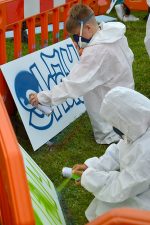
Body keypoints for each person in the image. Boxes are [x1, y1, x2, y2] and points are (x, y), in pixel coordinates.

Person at [29, 3, 134, 145]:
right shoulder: (112, 33)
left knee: (89, 88)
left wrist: (43, 98)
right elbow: (129, 57)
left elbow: (72, 85)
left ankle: (109, 135)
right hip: (127, 94)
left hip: (112, 112)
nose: (78, 40)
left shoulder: (96, 52)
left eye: (78, 35)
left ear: (89, 28)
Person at [73, 86, 150, 222]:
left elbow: (122, 187)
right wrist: (93, 165)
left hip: (145, 201)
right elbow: (120, 149)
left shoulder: (146, 152)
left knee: (114, 211)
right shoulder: (140, 126)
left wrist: (91, 178)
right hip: (139, 185)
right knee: (104, 206)